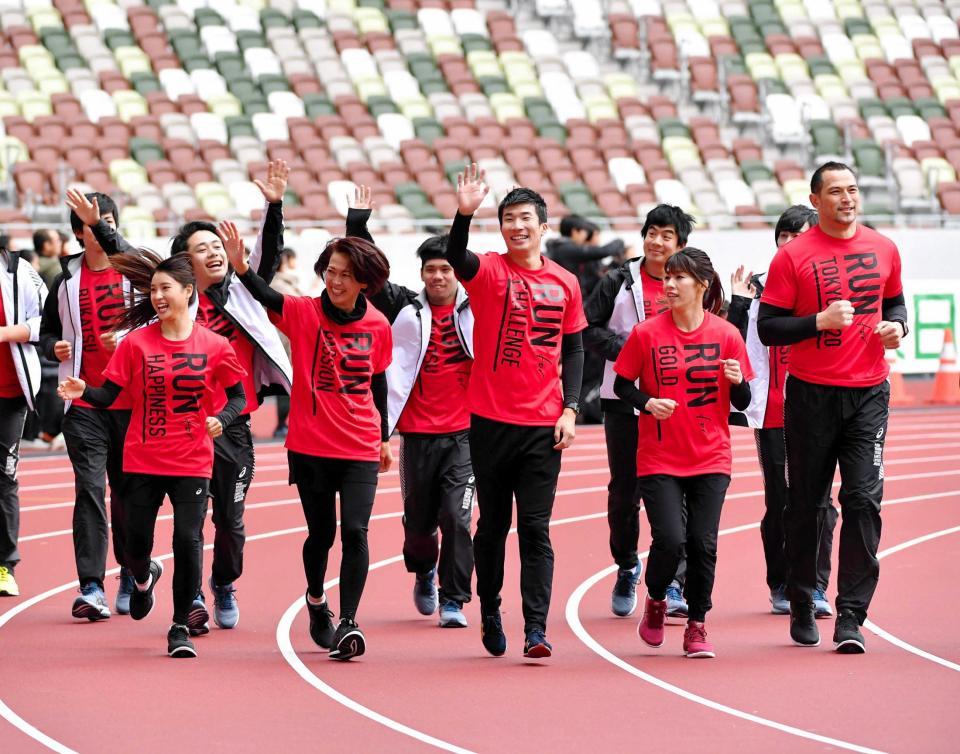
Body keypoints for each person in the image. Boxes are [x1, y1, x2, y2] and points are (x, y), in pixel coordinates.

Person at [82, 160, 293, 635]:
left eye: (218, 246)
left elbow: (268, 256)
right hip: (176, 429)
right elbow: (131, 256)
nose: (215, 253)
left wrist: (274, 205)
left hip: (231, 425)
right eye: (203, 249)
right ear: (183, 265)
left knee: (231, 523)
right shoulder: (170, 295)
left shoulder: (241, 292)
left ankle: (223, 584)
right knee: (176, 529)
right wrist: (97, 227)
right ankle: (187, 595)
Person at [58, 251, 246, 658]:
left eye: (165, 288)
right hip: (142, 458)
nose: (157, 296)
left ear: (187, 292)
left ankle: (179, 625)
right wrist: (83, 391)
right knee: (136, 544)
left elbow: (238, 397)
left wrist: (223, 419)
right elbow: (110, 395)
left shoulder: (215, 346)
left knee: (188, 539)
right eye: (153, 290)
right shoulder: (135, 344)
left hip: (192, 460)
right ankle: (142, 578)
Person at [225, 223, 393, 662]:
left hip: (359, 444)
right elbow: (266, 297)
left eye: (344, 274)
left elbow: (378, 385)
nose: (335, 281)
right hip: (311, 445)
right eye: (330, 271)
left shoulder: (377, 325)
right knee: (321, 533)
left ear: (363, 282)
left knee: (356, 530)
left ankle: (350, 622)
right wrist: (243, 268)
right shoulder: (302, 312)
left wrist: (385, 438)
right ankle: (317, 601)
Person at [758, 162, 907, 653]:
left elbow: (896, 303)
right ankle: (802, 598)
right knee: (806, 506)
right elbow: (769, 328)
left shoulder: (883, 248)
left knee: (863, 500)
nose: (847, 198)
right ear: (816, 199)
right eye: (836, 192)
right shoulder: (793, 257)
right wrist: (817, 321)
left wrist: (897, 328)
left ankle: (851, 616)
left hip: (869, 393)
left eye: (853, 190)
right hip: (811, 394)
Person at [445, 164, 586, 659]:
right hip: (489, 422)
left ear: (543, 227)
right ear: (501, 227)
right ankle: (488, 610)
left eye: (526, 218)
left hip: (543, 425)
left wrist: (571, 408)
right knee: (492, 526)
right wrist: (464, 214)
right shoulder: (488, 271)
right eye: (508, 219)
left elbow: (574, 349)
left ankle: (536, 629)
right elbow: (454, 255)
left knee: (535, 528)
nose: (517, 226)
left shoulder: (566, 283)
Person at [346, 186, 475, 629]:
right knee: (420, 525)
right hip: (416, 434)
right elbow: (370, 274)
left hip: (465, 435)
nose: (437, 277)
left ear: (458, 273)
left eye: (445, 269)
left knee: (459, 516)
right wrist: (358, 223)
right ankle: (424, 569)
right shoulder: (404, 305)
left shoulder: (479, 307)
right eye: (430, 270)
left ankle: (454, 599)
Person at [613, 248, 753, 658]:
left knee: (703, 543)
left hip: (711, 455)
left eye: (680, 278)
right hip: (659, 455)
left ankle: (697, 624)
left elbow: (742, 401)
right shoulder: (646, 333)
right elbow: (623, 385)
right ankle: (656, 600)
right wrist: (646, 403)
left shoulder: (726, 334)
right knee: (671, 540)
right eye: (668, 277)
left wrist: (738, 379)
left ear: (702, 285)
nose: (670, 285)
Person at [583, 204, 694, 619]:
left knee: (677, 494)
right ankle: (628, 565)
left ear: (680, 244)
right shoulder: (618, 280)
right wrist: (630, 351)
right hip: (623, 401)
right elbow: (587, 328)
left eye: (667, 235)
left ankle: (676, 583)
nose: (657, 241)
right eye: (652, 232)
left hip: (675, 404)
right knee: (625, 493)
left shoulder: (691, 282)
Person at [727, 206, 838, 617]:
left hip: (822, 405)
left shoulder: (830, 285)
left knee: (822, 502)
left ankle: (816, 586)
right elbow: (733, 343)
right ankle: (781, 582)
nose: (790, 243)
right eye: (784, 235)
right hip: (773, 410)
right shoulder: (759, 288)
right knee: (782, 502)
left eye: (799, 235)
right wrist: (739, 304)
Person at [40, 190, 136, 620]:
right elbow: (46, 332)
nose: (105, 229)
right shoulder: (65, 281)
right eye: (95, 224)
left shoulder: (135, 271)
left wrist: (129, 341)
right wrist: (53, 346)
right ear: (79, 233)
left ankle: (134, 571)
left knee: (130, 495)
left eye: (110, 222)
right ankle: (92, 586)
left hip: (132, 402)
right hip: (82, 404)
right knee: (90, 491)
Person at [0, 245, 46, 596]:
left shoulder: (18, 270)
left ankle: (5, 565)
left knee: (4, 477)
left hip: (8, 393)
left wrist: (4, 333)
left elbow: (45, 321)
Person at [269, 247, 302, 439]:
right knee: (286, 383)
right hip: (284, 341)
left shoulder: (288, 283)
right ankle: (281, 424)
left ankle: (285, 423)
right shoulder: (278, 285)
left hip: (290, 340)